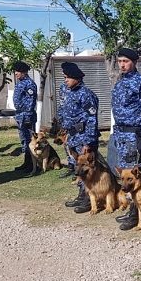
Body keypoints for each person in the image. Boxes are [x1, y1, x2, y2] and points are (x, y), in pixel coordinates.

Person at [110, 48, 141, 231]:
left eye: (125, 61)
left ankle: (136, 214)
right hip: (121, 134)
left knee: (134, 176)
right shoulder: (120, 82)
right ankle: (132, 210)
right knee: (125, 174)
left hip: (133, 135)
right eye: (120, 61)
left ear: (134, 62)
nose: (122, 64)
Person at [58, 62, 100, 213]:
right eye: (64, 77)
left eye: (67, 78)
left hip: (84, 138)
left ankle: (89, 199)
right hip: (73, 136)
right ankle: (82, 195)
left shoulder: (86, 94)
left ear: (76, 78)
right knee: (79, 170)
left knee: (87, 171)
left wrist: (88, 142)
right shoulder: (70, 92)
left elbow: (91, 119)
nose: (65, 80)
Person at [12, 61, 38, 172]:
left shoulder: (29, 84)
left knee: (30, 141)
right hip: (20, 115)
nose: (16, 73)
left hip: (27, 117)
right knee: (24, 140)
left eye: (18, 71)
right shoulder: (20, 83)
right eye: (15, 71)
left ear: (24, 72)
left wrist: (27, 118)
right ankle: (26, 162)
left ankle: (31, 164)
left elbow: (31, 102)